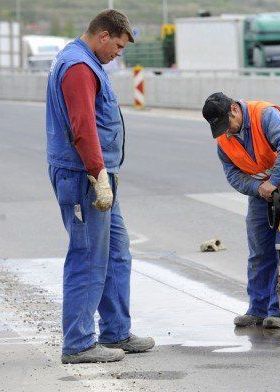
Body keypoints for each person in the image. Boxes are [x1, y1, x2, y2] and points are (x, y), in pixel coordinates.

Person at [46, 9, 154, 364]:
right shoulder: (79, 67)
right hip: (85, 179)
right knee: (88, 256)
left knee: (117, 252)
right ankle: (78, 343)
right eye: (118, 47)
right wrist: (98, 174)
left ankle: (116, 330)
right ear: (103, 35)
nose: (117, 55)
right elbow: (82, 127)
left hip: (99, 176)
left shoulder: (87, 62)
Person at [202, 92, 280, 329]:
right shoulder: (224, 140)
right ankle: (257, 309)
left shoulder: (265, 115)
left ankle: (277, 311)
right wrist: (260, 188)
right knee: (259, 252)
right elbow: (233, 176)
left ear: (234, 109)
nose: (227, 132)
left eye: (228, 125)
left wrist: (273, 182)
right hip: (262, 194)